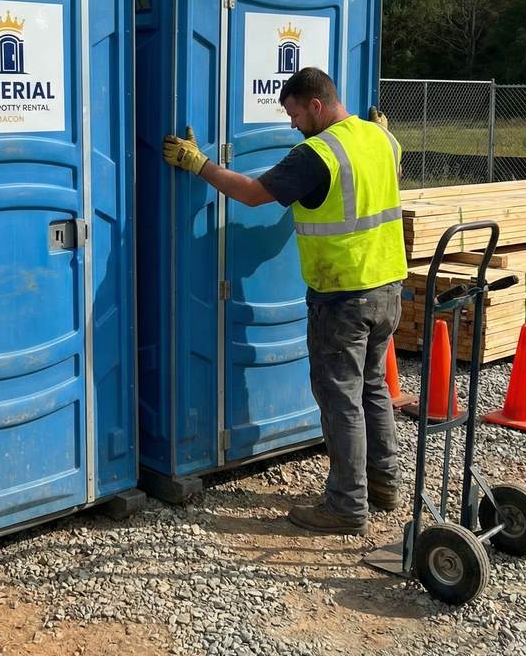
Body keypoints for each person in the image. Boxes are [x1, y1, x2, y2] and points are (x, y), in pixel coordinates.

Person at [162, 67, 408, 536]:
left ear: (316, 105)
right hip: (388, 288)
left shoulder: (317, 154)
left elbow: (255, 195)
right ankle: (383, 485)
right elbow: (387, 175)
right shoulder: (381, 137)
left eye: (294, 113)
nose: (292, 123)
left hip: (343, 298)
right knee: (372, 389)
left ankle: (345, 507)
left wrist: (200, 165)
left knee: (341, 401)